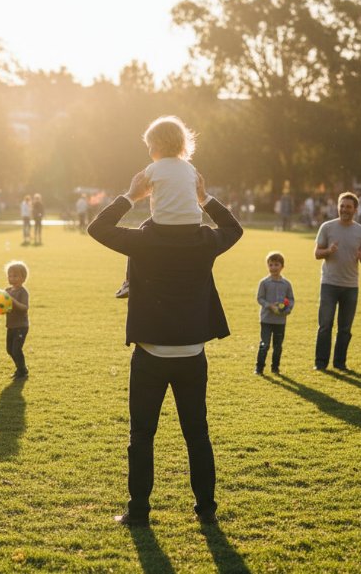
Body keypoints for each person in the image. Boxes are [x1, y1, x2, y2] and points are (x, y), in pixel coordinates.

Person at [90, 169, 243, 527]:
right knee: (197, 434)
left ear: (156, 198)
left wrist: (130, 196)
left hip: (150, 354)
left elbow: (98, 228)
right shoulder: (204, 239)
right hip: (192, 353)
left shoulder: (144, 240)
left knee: (142, 435)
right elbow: (234, 229)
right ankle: (206, 511)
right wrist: (207, 199)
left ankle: (139, 512)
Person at [114, 115, 203, 299]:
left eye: (150, 146)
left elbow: (141, 187)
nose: (149, 151)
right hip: (193, 222)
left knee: (141, 232)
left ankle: (129, 280)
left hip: (164, 222)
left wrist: (134, 194)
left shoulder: (153, 168)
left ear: (159, 144)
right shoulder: (190, 168)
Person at [314, 192, 361, 371]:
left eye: (348, 207)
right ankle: (321, 363)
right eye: (342, 206)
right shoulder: (327, 227)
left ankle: (340, 364)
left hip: (351, 286)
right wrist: (328, 251)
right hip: (329, 284)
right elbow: (316, 253)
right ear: (337, 207)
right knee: (325, 325)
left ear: (355, 209)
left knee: (345, 328)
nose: (344, 209)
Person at [255, 251, 294, 375]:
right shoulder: (264, 283)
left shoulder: (286, 284)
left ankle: (275, 368)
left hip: (280, 321)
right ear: (268, 266)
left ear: (282, 266)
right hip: (266, 320)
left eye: (276, 265)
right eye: (271, 265)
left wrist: (287, 310)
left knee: (277, 346)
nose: (273, 267)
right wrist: (269, 306)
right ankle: (259, 368)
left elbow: (291, 299)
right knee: (264, 344)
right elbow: (260, 298)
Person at [4, 261, 30, 380]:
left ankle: (22, 371)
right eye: (10, 276)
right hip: (11, 325)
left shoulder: (22, 292)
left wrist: (13, 301)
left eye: (15, 276)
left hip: (21, 326)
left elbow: (24, 308)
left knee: (16, 349)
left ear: (23, 278)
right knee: (9, 350)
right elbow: (6, 307)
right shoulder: (7, 290)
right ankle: (20, 368)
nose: (12, 278)